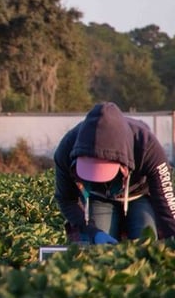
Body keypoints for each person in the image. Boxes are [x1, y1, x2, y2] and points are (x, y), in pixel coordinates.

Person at [54, 101, 175, 243]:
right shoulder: (67, 149)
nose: (102, 179)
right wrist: (93, 232)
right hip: (98, 196)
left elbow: (166, 203)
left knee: (145, 238)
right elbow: (66, 199)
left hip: (139, 194)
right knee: (99, 251)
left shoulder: (147, 145)